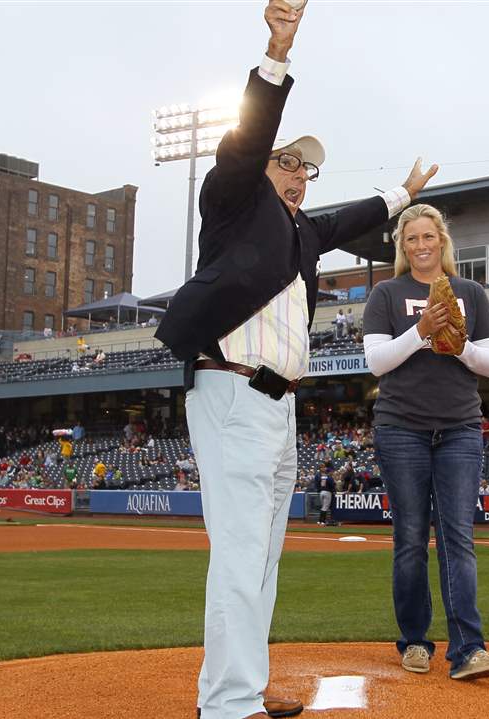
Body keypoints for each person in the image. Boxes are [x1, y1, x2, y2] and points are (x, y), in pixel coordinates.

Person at [153, 5, 439, 717]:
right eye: (289, 161)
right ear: (263, 165)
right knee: (243, 555)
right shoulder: (230, 203)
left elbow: (351, 218)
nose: (301, 175)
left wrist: (404, 193)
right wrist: (275, 56)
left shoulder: (302, 232)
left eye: (308, 169)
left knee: (262, 558)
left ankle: (238, 688)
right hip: (233, 390)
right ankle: (227, 703)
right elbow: (245, 145)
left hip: (278, 406)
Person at [362, 203, 489, 681]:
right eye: (412, 239)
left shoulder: (471, 292)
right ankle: (415, 641)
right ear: (403, 247)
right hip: (401, 427)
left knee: (458, 540)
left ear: (442, 241)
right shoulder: (386, 292)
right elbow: (377, 362)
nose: (421, 246)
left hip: (461, 427)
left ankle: (469, 648)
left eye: (429, 237)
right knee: (409, 540)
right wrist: (422, 331)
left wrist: (456, 343)